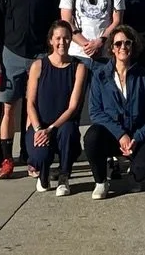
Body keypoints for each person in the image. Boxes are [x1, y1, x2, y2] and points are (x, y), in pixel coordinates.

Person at [0, 0, 62, 176]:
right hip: (11, 53)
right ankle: (6, 158)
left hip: (39, 55)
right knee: (8, 107)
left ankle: (32, 155)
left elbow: (55, 21)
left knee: (34, 108)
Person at [86, 27, 145, 197]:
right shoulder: (100, 76)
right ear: (112, 48)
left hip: (135, 137)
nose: (123, 47)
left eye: (127, 43)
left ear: (133, 46)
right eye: (118, 44)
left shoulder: (144, 77)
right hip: (111, 134)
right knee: (91, 138)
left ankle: (134, 175)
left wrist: (136, 138)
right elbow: (95, 112)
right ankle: (101, 181)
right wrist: (120, 135)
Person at [26, 21, 88, 195]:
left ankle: (64, 176)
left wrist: (51, 129)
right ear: (51, 40)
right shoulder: (38, 66)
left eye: (66, 38)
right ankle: (43, 175)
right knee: (40, 156)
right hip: (40, 125)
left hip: (62, 125)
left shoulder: (79, 67)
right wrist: (39, 129)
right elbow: (30, 103)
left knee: (68, 132)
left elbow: (73, 107)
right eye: (58, 38)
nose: (62, 42)